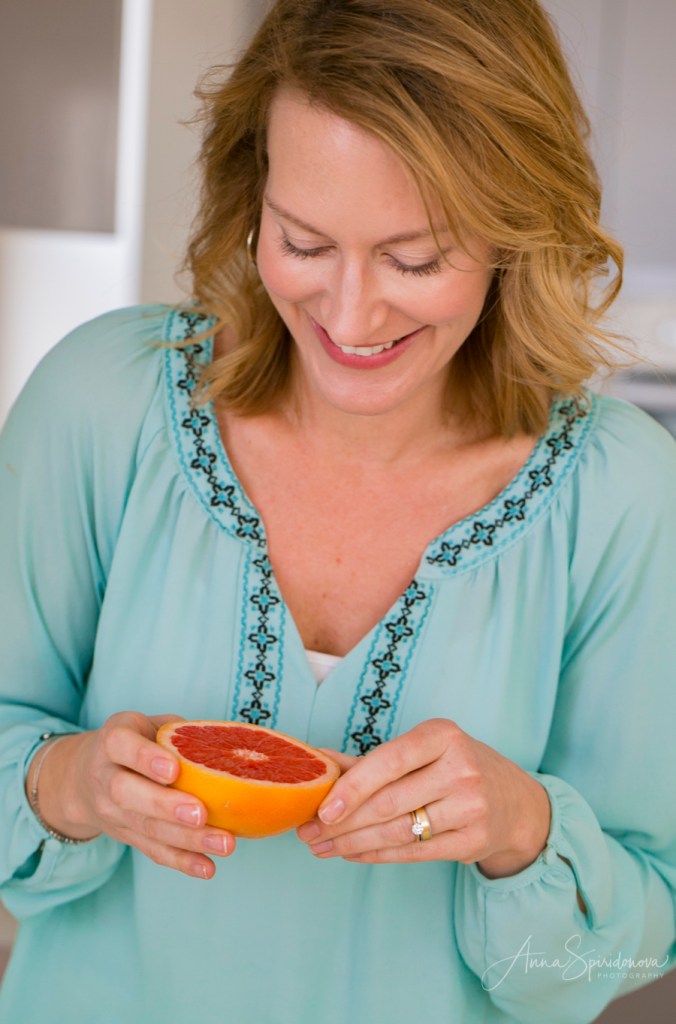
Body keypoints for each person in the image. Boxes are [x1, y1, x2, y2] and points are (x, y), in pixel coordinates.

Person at [1, 0, 675, 1021]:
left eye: (415, 259)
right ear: (252, 198)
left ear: (515, 230)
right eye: (304, 241)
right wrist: (69, 784)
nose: (351, 316)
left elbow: (635, 943)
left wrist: (522, 827)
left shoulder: (621, 494)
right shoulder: (104, 399)